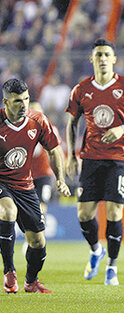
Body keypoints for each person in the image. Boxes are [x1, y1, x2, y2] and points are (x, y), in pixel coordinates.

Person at [66, 39, 124, 286]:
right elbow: (72, 122)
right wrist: (71, 155)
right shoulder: (81, 89)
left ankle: (112, 266)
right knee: (84, 213)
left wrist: (122, 129)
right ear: (92, 59)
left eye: (107, 55)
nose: (102, 58)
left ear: (114, 60)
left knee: (114, 211)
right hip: (90, 157)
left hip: (120, 157)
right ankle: (95, 250)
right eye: (98, 54)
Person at [0, 78, 71, 294]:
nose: (23, 105)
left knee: (38, 242)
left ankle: (31, 282)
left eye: (26, 99)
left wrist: (60, 179)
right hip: (2, 182)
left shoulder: (37, 120)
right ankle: (9, 272)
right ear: (6, 102)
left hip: (25, 184)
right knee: (7, 211)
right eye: (17, 101)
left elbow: (54, 149)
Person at [21, 102, 60, 255]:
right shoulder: (22, 129)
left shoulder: (49, 128)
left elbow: (53, 151)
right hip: (27, 175)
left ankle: (33, 239)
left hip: (44, 174)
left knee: (40, 206)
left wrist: (59, 176)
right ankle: (32, 237)